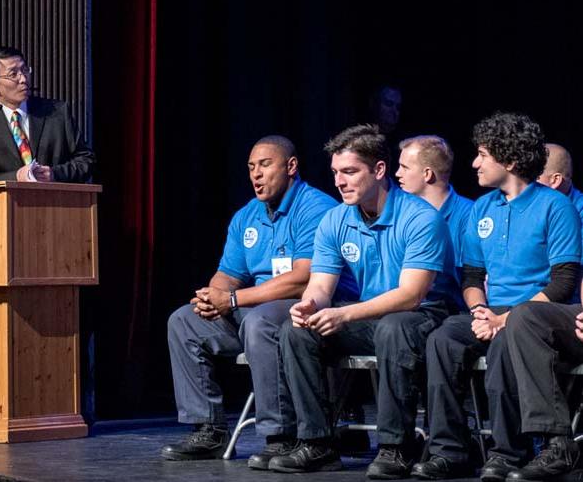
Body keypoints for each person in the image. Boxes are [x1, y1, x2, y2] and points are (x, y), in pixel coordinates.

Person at [269, 124, 459, 476]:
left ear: (380, 171)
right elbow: (321, 286)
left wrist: (345, 316)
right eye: (336, 173)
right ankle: (317, 443)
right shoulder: (335, 219)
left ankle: (395, 447)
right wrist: (309, 306)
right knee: (296, 331)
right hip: (366, 316)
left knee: (394, 328)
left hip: (423, 315)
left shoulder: (420, 218)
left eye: (350, 172)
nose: (340, 181)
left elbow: (411, 295)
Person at [161, 136, 355, 464]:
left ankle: (280, 435)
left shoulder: (316, 208)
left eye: (265, 165)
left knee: (259, 320)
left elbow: (303, 278)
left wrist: (233, 300)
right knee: (184, 320)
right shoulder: (247, 216)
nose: (256, 174)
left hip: (305, 307)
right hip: (251, 308)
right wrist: (213, 297)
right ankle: (209, 428)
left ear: (291, 167)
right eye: (251, 167)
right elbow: (227, 274)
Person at [412, 113, 582, 482]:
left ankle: (508, 453)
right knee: (442, 338)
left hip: (537, 312)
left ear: (509, 160)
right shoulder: (482, 209)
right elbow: (471, 277)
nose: (474, 163)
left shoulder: (556, 207)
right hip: (490, 311)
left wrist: (502, 321)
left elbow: (563, 282)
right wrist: (478, 310)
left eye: (483, 155)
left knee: (510, 336)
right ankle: (450, 449)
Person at [490, 143, 583, 481]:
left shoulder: (563, 210)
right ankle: (552, 445)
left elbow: (566, 279)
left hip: (558, 309)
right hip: (555, 317)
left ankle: (551, 444)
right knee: (523, 318)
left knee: (524, 317)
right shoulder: (498, 209)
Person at [0, 46, 95, 183]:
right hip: (6, 202)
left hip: (56, 200)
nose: (23, 79)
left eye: (25, 70)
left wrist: (55, 174)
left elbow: (86, 160)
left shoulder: (57, 112)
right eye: (13, 74)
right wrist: (15, 177)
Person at [395, 135, 473, 278]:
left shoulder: (470, 215)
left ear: (427, 174)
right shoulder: (400, 213)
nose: (397, 173)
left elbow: (471, 276)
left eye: (405, 167)